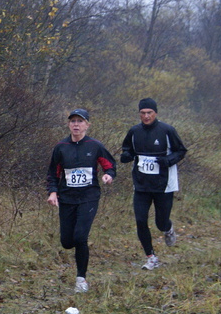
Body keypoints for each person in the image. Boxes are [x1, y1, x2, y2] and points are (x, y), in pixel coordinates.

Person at [47, 109, 116, 293]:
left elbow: (110, 165)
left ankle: (81, 279)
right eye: (73, 121)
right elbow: (53, 173)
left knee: (80, 237)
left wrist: (108, 175)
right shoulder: (61, 147)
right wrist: (53, 192)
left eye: (80, 121)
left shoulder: (95, 146)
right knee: (67, 242)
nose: (76, 124)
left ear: (87, 125)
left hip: (89, 197)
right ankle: (80, 274)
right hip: (67, 197)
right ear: (69, 124)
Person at [120, 98, 187, 270]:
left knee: (160, 222)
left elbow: (181, 151)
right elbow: (127, 149)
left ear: (155, 113)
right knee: (140, 220)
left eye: (149, 113)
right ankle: (151, 257)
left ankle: (168, 228)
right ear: (139, 114)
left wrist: (168, 160)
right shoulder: (134, 131)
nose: (146, 116)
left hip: (164, 185)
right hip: (141, 185)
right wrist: (127, 156)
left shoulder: (167, 130)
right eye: (143, 113)